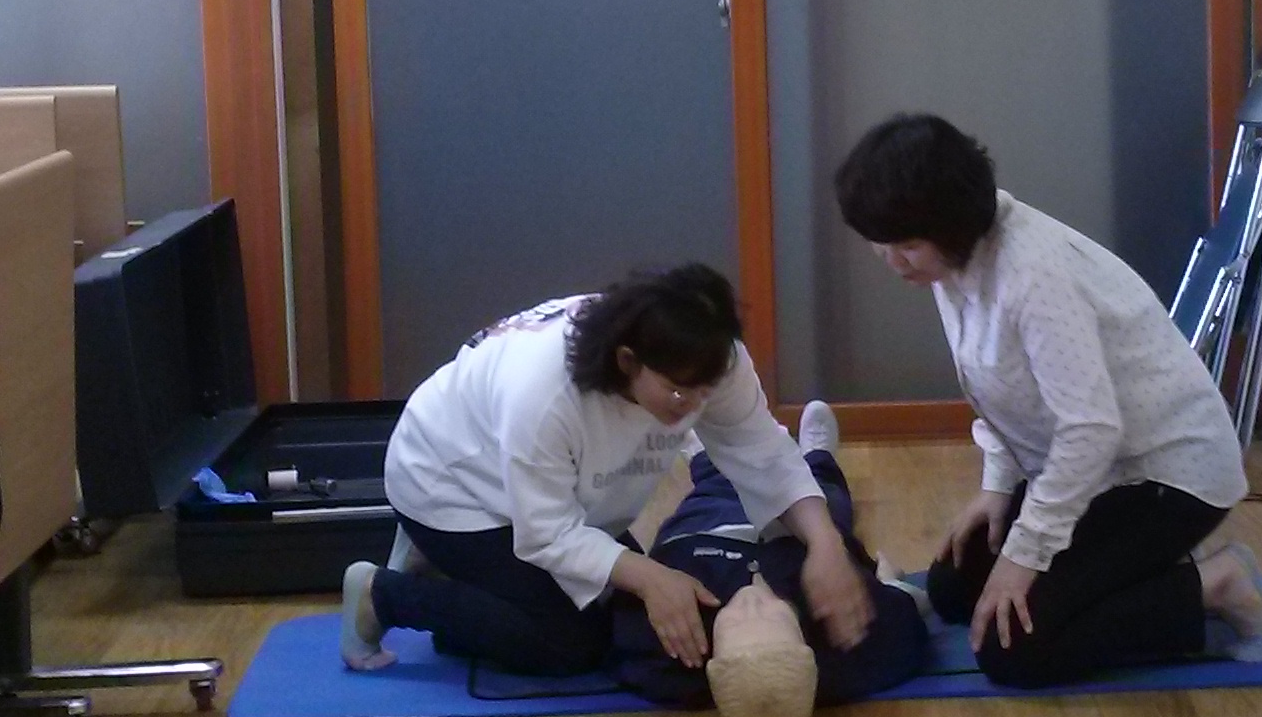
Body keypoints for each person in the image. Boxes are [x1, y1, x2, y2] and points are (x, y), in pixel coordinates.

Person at [833, 113, 1262, 689]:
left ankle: (1216, 587)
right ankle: (1131, 572)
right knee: (954, 588)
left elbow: (1091, 431)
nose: (893, 262)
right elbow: (998, 390)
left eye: (908, 246)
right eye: (882, 245)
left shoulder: (1033, 275)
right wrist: (998, 489)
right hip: (1098, 468)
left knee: (1011, 648)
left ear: (952, 225)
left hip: (1169, 478)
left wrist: (1027, 553)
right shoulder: (952, 262)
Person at [340, 264, 880, 682]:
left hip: (550, 491)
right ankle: (383, 595)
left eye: (705, 391)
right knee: (568, 644)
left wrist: (826, 544)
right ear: (627, 362)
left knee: (631, 620)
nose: (695, 406)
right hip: (450, 483)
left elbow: (763, 453)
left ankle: (477, 582)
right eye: (678, 392)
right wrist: (651, 577)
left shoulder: (709, 358)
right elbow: (547, 533)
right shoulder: (544, 393)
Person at [610, 400, 929, 717]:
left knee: (715, 491)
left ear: (712, 663)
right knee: (826, 494)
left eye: (734, 622)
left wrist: (645, 579)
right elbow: (907, 621)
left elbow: (621, 635)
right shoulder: (846, 643)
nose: (751, 602)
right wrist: (889, 582)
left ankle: (707, 457)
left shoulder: (665, 654)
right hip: (798, 540)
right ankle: (818, 456)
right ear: (809, 648)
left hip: (709, 530)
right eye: (775, 615)